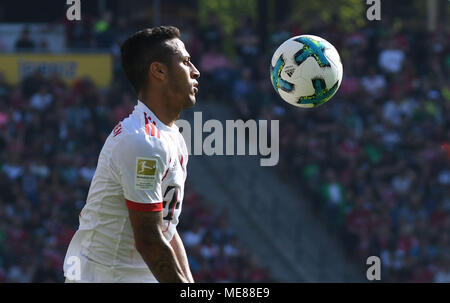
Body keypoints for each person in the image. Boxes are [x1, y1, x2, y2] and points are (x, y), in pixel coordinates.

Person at [63, 26, 200, 283]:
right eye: (185, 62)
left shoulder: (172, 137)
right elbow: (149, 241)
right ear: (158, 71)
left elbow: (166, 229)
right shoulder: (141, 142)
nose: (196, 71)